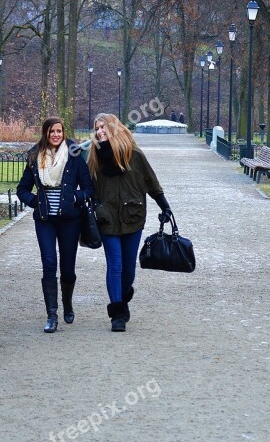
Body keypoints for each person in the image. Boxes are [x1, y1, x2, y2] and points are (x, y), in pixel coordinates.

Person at [86, 113, 173, 332]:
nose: (99, 132)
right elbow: (89, 188)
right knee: (114, 264)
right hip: (107, 219)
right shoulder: (94, 156)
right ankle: (117, 313)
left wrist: (165, 207)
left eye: (103, 128)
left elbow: (152, 183)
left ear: (114, 129)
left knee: (128, 268)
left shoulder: (134, 155)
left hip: (133, 217)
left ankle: (122, 297)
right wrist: (96, 206)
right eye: (97, 129)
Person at [17, 117, 94, 333]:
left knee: (67, 269)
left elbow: (89, 189)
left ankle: (67, 303)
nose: (56, 135)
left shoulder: (75, 154)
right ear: (46, 133)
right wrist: (35, 203)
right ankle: (52, 315)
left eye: (59, 131)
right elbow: (22, 189)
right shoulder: (35, 155)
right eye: (52, 131)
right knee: (49, 264)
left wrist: (75, 198)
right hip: (45, 220)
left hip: (70, 219)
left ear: (63, 132)